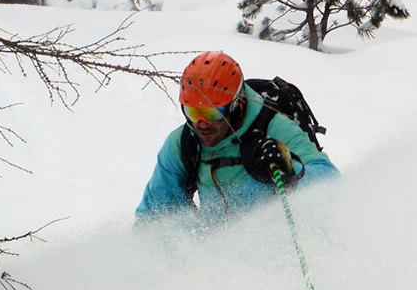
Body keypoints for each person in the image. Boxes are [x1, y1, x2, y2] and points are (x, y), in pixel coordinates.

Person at [135, 51, 338, 225]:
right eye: (193, 112)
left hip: (278, 251)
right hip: (218, 259)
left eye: (213, 114)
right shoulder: (183, 144)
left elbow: (331, 182)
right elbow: (153, 217)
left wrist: (290, 170)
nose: (201, 124)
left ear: (237, 106)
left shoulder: (275, 128)